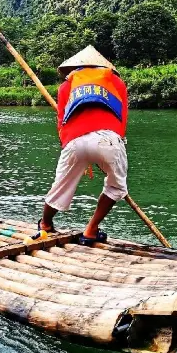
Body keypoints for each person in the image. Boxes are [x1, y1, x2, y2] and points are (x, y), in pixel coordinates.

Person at [39, 45, 129, 244]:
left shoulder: (66, 86)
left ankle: (45, 223)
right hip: (109, 139)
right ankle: (91, 229)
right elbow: (122, 120)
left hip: (74, 140)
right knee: (117, 187)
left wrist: (71, 144)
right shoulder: (117, 82)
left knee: (60, 187)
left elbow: (61, 122)